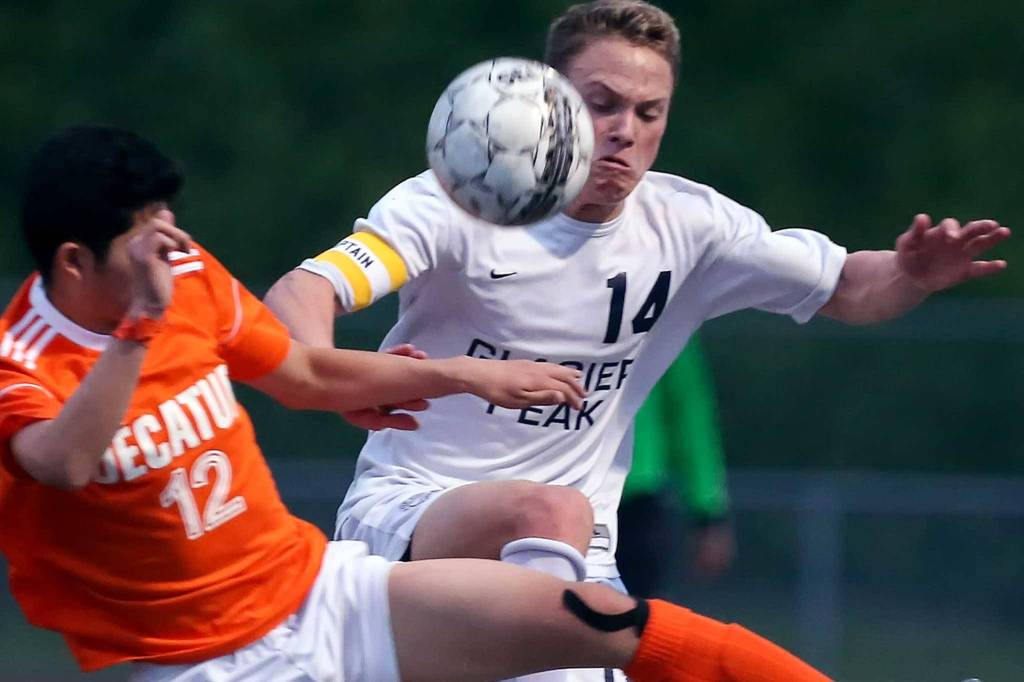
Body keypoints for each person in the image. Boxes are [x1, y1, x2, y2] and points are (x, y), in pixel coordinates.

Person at [264, 1, 1009, 679]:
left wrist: (911, 273)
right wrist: (331, 376)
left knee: (581, 552)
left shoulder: (691, 227)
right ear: (546, 105)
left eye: (650, 112)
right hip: (411, 515)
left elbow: (848, 287)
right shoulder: (463, 199)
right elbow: (304, 292)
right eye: (602, 105)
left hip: (577, 550)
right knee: (549, 511)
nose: (626, 129)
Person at [0, 123, 837, 682]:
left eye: (168, 220)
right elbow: (62, 461)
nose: (171, 246)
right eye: (144, 235)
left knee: (594, 616)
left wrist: (461, 376)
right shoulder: (23, 366)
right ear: (74, 261)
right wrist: (141, 327)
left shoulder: (180, 279)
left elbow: (305, 375)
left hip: (317, 591)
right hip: (194, 661)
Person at [619, 336, 734, 598]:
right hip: (556, 489)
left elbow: (690, 417)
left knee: (629, 625)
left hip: (633, 499)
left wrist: (708, 513)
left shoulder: (665, 314)